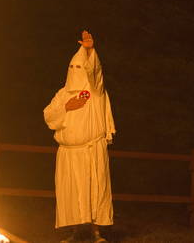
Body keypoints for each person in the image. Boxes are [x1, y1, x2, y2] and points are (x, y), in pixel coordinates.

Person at [44, 30, 116, 243]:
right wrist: (66, 107)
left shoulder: (95, 92)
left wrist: (89, 49)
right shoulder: (62, 94)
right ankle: (76, 233)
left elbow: (96, 71)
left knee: (94, 191)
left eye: (79, 67)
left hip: (91, 150)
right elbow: (48, 116)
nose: (75, 70)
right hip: (68, 152)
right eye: (72, 67)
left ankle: (94, 233)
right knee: (73, 192)